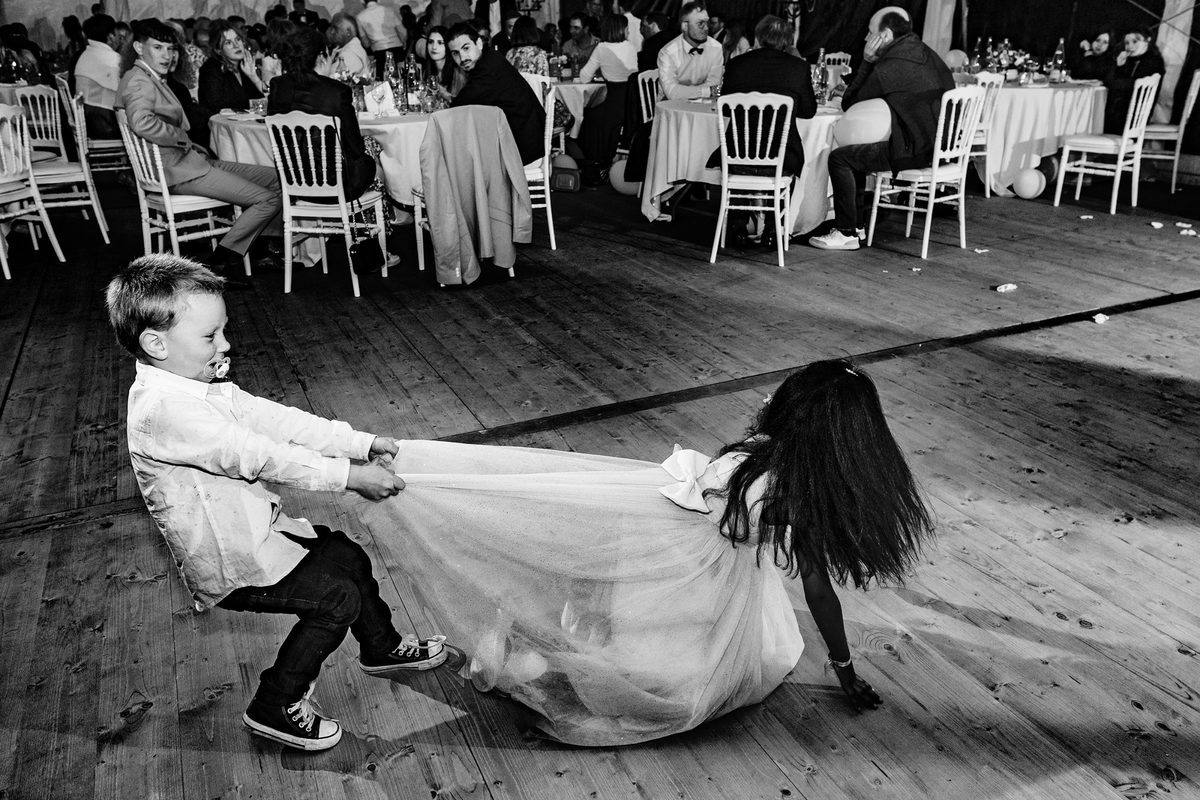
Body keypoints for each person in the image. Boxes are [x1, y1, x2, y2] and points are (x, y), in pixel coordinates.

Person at [358, 358, 932, 745]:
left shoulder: (761, 455)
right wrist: (843, 667)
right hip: (686, 569)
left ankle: (552, 653)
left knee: (643, 649)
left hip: (669, 549)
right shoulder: (800, 490)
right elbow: (817, 589)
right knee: (677, 691)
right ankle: (553, 663)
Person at [105, 255, 448, 752]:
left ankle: (382, 647)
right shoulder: (164, 410)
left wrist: (359, 443)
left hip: (260, 532)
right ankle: (274, 704)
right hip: (231, 559)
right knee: (336, 599)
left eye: (223, 331)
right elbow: (261, 455)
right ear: (156, 344)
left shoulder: (198, 385)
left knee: (347, 556)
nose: (225, 344)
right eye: (210, 336)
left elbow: (276, 421)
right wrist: (350, 476)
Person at [116, 18, 282, 275]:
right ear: (138, 48)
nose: (167, 55)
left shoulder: (147, 77)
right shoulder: (139, 80)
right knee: (268, 199)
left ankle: (257, 249)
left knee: (276, 178)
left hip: (188, 162)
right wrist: (181, 138)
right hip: (178, 171)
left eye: (170, 49)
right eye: (158, 48)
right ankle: (221, 259)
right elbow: (141, 122)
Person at [809, 7, 952, 252]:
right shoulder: (927, 53)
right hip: (939, 145)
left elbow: (850, 102)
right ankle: (857, 227)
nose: (866, 37)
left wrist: (866, 61)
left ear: (884, 35)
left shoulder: (891, 65)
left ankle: (846, 232)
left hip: (915, 149)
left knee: (841, 158)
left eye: (870, 32)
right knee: (856, 151)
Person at [713, 15, 815, 244]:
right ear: (787, 42)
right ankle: (773, 228)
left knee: (743, 155)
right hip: (781, 158)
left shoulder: (737, 64)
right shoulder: (798, 67)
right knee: (788, 155)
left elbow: (726, 108)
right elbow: (808, 111)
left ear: (758, 37)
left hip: (737, 156)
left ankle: (738, 225)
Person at [268, 26, 378, 202]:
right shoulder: (337, 91)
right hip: (337, 186)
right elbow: (355, 147)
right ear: (321, 56)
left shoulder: (277, 86)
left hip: (293, 183)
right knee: (373, 156)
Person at [447, 21, 546, 164]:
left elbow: (458, 107)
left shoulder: (487, 69)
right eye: (455, 53)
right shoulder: (490, 58)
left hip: (522, 149)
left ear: (479, 44)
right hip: (521, 137)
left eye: (466, 48)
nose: (462, 58)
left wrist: (447, 98)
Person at [578, 14, 637, 180]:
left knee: (587, 115)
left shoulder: (602, 48)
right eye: (627, 28)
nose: (628, 32)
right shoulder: (630, 47)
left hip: (613, 107)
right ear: (620, 29)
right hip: (631, 108)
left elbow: (584, 77)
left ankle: (594, 163)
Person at [656, 2, 723, 100]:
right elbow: (672, 93)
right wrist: (706, 91)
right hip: (670, 105)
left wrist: (686, 92)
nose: (706, 28)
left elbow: (714, 85)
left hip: (704, 103)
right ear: (685, 26)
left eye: (707, 22)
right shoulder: (668, 52)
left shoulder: (716, 48)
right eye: (700, 23)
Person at [198, 20, 265, 118]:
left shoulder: (244, 66)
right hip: (221, 124)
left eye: (238, 39)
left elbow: (263, 103)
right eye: (228, 42)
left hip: (246, 123)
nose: (236, 45)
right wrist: (250, 106)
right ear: (218, 50)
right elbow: (215, 106)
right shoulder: (211, 69)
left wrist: (253, 76)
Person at [1103, 29, 1164, 134]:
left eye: (1135, 41)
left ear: (1147, 40)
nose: (1130, 46)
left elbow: (1128, 84)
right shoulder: (1131, 60)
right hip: (1125, 112)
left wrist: (1115, 79)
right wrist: (1119, 66)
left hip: (1135, 115)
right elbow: (1110, 81)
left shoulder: (1153, 61)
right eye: (1127, 43)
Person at [74, 14, 123, 139]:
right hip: (106, 126)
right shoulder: (110, 59)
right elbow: (125, 93)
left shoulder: (86, 55)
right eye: (118, 35)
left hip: (87, 123)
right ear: (111, 36)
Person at [358, 0, 407, 79]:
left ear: (362, 1)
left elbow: (365, 43)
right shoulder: (389, 10)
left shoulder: (360, 17)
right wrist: (404, 46)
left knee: (383, 81)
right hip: (397, 49)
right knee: (402, 77)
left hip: (379, 52)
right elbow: (402, 32)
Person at [319, 13, 372, 79]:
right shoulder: (351, 48)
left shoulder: (349, 54)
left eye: (336, 28)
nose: (332, 32)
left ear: (348, 32)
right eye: (332, 27)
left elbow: (333, 80)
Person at [424, 25, 465, 98]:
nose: (434, 47)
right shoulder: (427, 70)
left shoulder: (458, 72)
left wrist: (443, 93)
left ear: (448, 46)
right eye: (431, 42)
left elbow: (460, 101)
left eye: (440, 43)